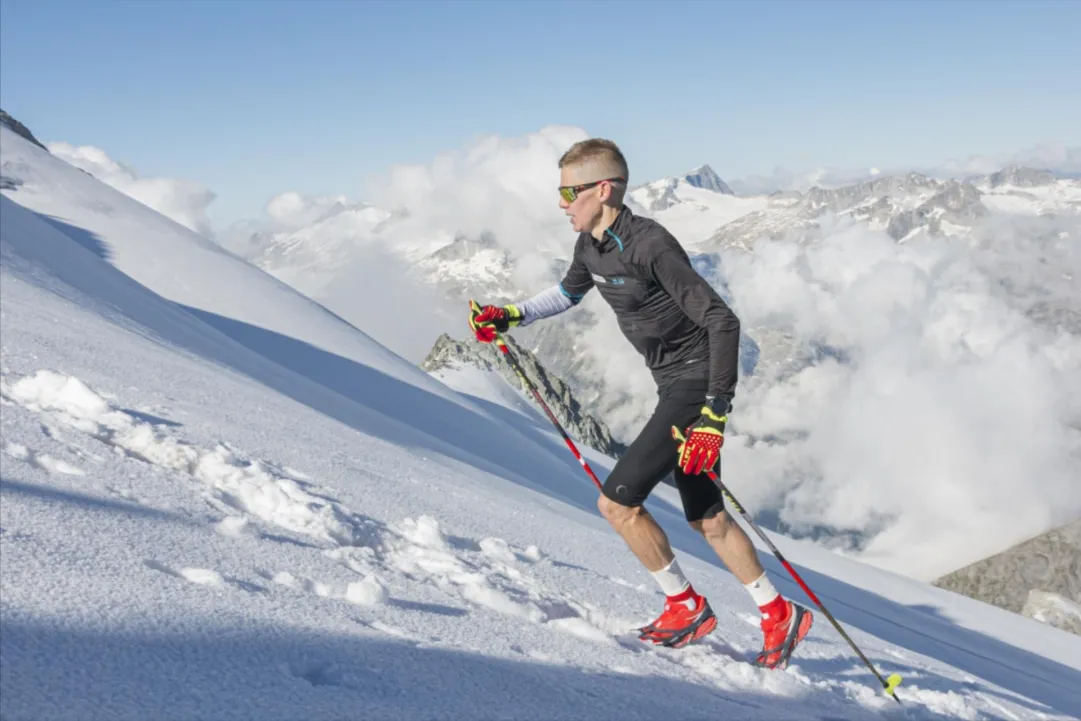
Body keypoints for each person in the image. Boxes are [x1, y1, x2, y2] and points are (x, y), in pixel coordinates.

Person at [467, 138, 813, 668]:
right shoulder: (590, 245)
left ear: (602, 190)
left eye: (568, 191)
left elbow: (723, 321)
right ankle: (777, 612)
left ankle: (685, 605)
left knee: (617, 503)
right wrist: (509, 315)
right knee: (708, 516)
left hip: (695, 386)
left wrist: (714, 417)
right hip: (672, 383)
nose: (561, 203)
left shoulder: (651, 245)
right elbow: (567, 293)